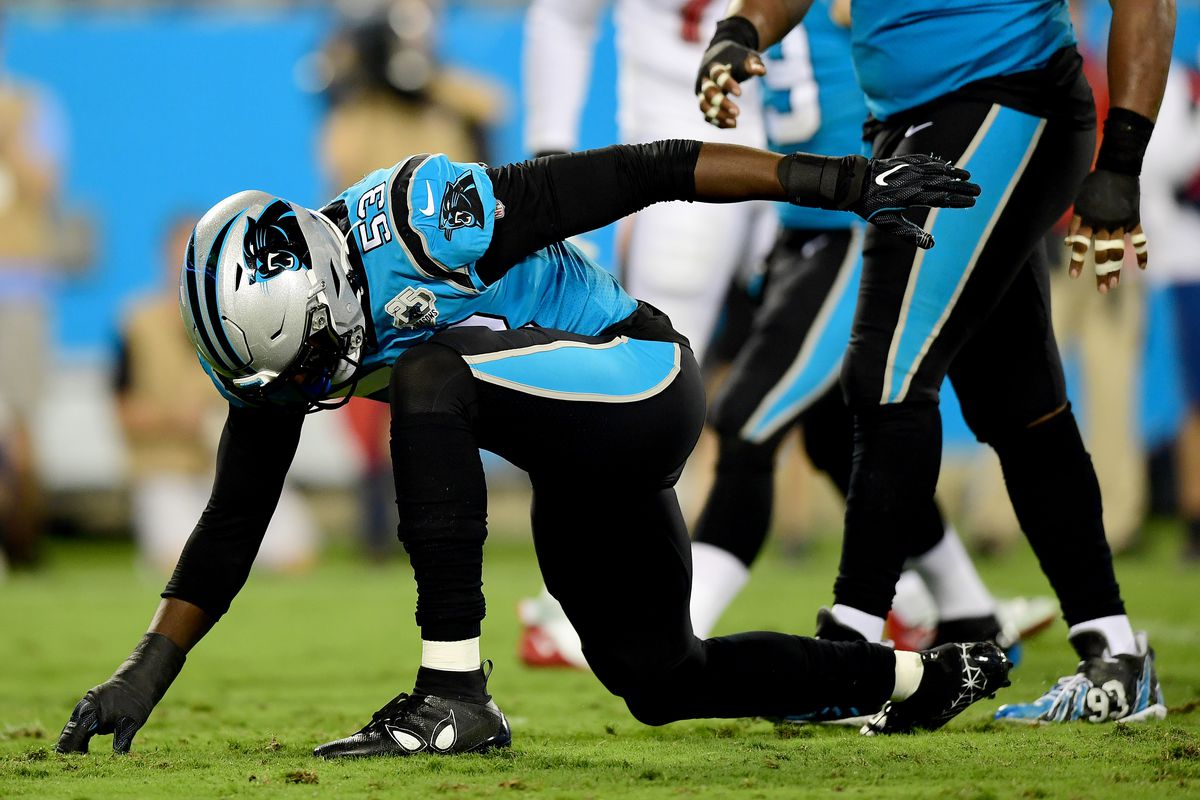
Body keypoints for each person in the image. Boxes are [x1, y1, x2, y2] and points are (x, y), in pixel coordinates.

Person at [55, 139, 1004, 758]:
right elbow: (235, 516)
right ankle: (924, 677)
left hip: (639, 379)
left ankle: (453, 693)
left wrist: (839, 182)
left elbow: (646, 170)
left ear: (322, 280)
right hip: (576, 450)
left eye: (306, 356)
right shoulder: (285, 345)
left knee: (429, 373)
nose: (308, 383)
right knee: (660, 677)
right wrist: (146, 668)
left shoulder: (420, 222)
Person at [696, 0, 1172, 724]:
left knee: (887, 372)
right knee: (1018, 403)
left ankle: (851, 655)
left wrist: (1124, 156)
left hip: (1004, 96)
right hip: (915, 120)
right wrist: (742, 30)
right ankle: (1115, 653)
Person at [687, 0, 1054, 671]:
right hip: (799, 229)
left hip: (854, 222)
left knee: (747, 421)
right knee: (833, 435)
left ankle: (678, 629)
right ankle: (969, 610)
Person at [115, 216, 318, 573]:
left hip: (233, 466)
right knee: (180, 560)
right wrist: (177, 419)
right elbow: (123, 411)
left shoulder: (243, 318)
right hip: (167, 469)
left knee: (295, 551)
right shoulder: (137, 322)